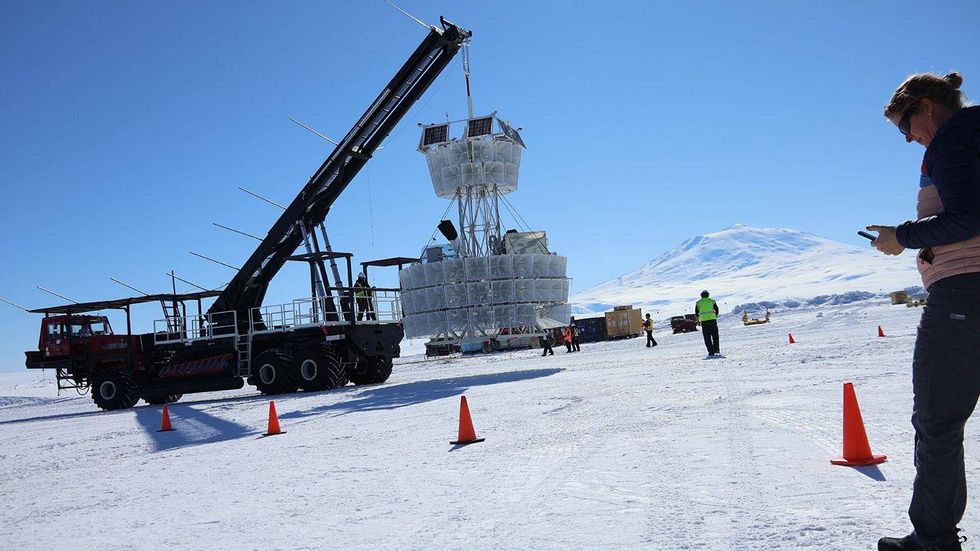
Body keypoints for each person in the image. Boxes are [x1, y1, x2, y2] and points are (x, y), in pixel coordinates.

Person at [870, 72, 977, 551]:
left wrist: (904, 237)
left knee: (937, 421)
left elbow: (968, 217)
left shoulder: (954, 139)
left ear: (927, 106)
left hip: (962, 297)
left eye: (905, 127)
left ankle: (933, 540)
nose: (910, 139)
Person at [695, 290, 720, 356]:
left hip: (704, 321)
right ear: (708, 295)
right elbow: (717, 309)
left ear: (701, 296)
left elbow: (696, 313)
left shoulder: (698, 303)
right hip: (712, 320)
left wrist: (698, 321)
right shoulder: (712, 301)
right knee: (715, 335)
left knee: (707, 337)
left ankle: (710, 352)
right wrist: (715, 316)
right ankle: (716, 349)